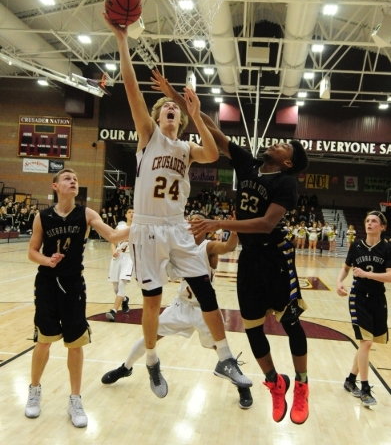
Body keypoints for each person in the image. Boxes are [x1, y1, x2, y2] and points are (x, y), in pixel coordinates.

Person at [104, 13, 252, 399]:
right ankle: (151, 360)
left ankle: (224, 358)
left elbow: (213, 152)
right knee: (151, 304)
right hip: (148, 228)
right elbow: (132, 88)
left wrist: (195, 110)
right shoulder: (149, 138)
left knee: (206, 291)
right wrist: (122, 41)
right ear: (156, 118)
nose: (171, 111)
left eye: (175, 111)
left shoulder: (186, 149)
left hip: (178, 227)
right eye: (166, 109)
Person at [184, 116, 309, 423]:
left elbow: (266, 224)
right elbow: (216, 134)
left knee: (290, 324)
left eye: (283, 145)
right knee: (252, 329)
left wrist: (217, 223)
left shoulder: (286, 183)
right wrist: (193, 110)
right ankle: (275, 383)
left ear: (288, 162)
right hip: (250, 258)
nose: (275, 143)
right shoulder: (248, 164)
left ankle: (303, 385)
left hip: (276, 257)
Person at [101, 211, 253, 409]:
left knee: (221, 350)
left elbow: (229, 247)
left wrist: (233, 229)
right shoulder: (179, 247)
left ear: (206, 228)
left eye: (199, 223)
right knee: (151, 337)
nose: (194, 225)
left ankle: (241, 386)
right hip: (181, 306)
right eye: (191, 222)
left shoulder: (208, 247)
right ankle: (125, 368)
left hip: (203, 310)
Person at [25, 168, 130, 428]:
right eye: (67, 179)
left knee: (75, 344)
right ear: (55, 186)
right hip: (47, 284)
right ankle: (34, 391)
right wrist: (47, 261)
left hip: (73, 286)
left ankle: (75, 399)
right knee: (44, 342)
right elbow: (32, 251)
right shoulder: (42, 217)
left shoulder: (86, 214)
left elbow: (114, 236)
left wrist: (143, 224)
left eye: (76, 179)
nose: (73, 181)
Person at [336, 211, 391, 407]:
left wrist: (368, 274)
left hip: (378, 299)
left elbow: (390, 276)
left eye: (374, 221)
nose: (369, 223)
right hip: (358, 297)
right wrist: (339, 281)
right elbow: (346, 267)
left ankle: (350, 380)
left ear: (382, 227)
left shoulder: (387, 248)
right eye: (367, 220)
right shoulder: (356, 246)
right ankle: (365, 388)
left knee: (366, 345)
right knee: (366, 342)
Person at [106, 207, 134, 322]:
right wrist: (113, 251)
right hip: (118, 258)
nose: (132, 214)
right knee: (116, 288)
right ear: (126, 215)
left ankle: (113, 311)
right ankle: (125, 299)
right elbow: (113, 243)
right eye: (130, 212)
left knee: (122, 285)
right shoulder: (120, 227)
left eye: (134, 212)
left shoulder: (139, 228)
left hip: (129, 258)